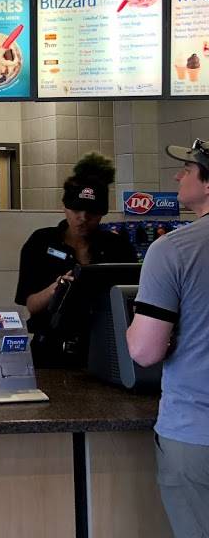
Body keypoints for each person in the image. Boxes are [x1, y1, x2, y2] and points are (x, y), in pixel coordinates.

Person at [127, 139, 209, 537]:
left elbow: (145, 351)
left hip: (197, 435)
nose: (178, 176)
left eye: (188, 170)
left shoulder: (174, 249)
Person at [15, 153, 136, 368]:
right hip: (50, 349)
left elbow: (131, 299)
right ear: (65, 207)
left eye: (91, 212)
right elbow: (31, 305)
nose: (83, 218)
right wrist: (56, 289)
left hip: (104, 347)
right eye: (76, 210)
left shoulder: (117, 246)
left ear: (102, 214)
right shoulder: (41, 242)